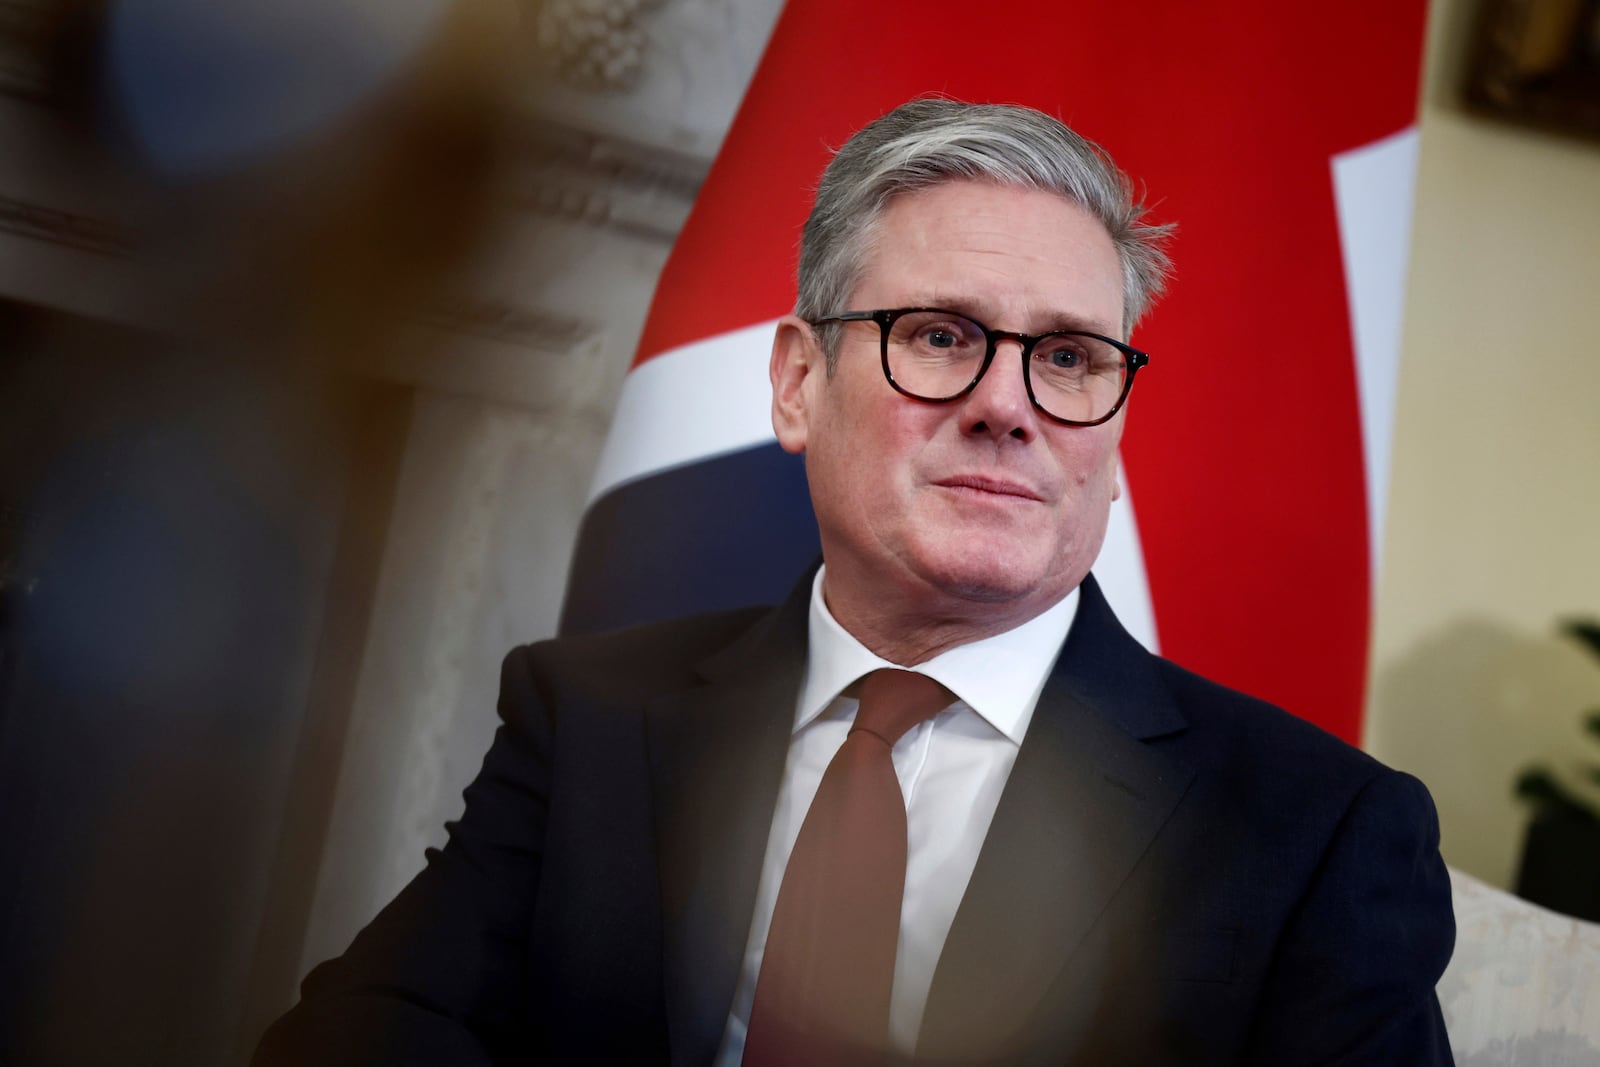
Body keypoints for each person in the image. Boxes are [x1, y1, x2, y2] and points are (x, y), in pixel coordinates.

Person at [256, 97, 1455, 1066]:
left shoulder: (1317, 833)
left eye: (1071, 358)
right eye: (939, 334)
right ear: (794, 383)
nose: (1006, 405)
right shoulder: (590, 718)